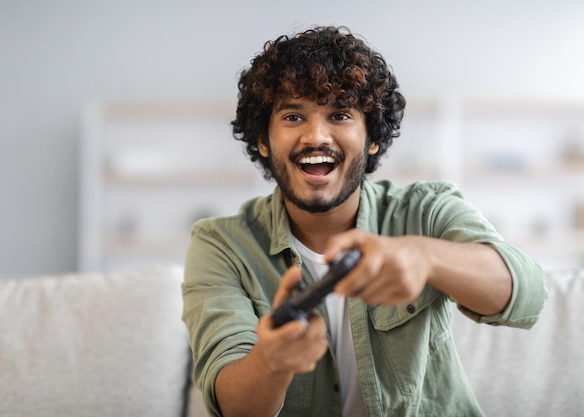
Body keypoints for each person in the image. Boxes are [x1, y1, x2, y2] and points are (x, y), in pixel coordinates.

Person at [182, 25, 548, 417]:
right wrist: (273, 361)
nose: (315, 136)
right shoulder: (220, 244)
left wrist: (425, 257)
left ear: (372, 137)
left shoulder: (426, 210)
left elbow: (526, 293)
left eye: (339, 114)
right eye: (293, 116)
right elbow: (234, 405)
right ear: (263, 140)